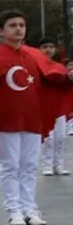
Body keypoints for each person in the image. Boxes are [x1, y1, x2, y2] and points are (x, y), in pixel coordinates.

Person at [0, 11, 73, 225]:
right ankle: (14, 210)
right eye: (12, 25)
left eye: (21, 25)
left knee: (29, 165)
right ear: (1, 31)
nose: (18, 29)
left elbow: (54, 76)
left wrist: (68, 77)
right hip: (7, 120)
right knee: (10, 166)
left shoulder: (35, 55)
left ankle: (30, 209)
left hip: (32, 118)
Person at [37, 39, 69, 175]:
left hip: (59, 106)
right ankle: (47, 165)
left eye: (51, 47)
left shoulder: (60, 67)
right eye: (45, 47)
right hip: (43, 106)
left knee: (60, 137)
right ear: (39, 49)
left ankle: (58, 165)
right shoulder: (35, 66)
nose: (48, 50)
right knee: (48, 138)